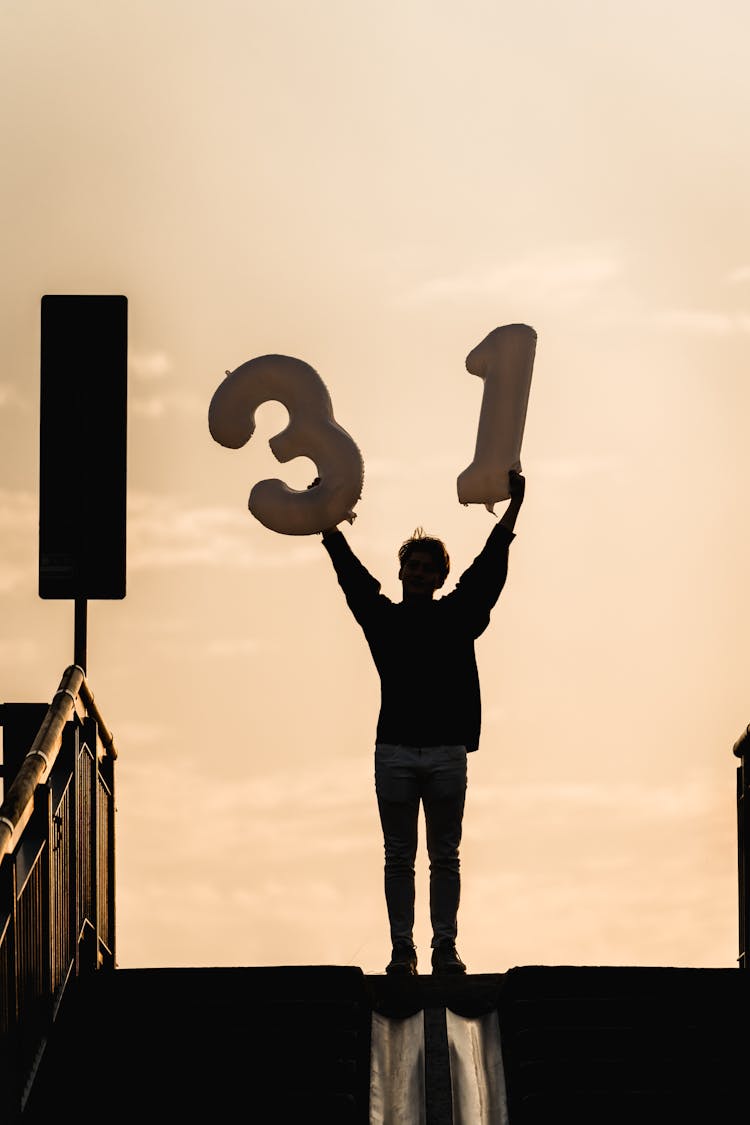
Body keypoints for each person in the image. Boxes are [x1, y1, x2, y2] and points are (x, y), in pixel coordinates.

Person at [320, 469, 525, 976]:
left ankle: (444, 949)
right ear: (403, 573)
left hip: (445, 751)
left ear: (439, 577)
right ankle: (402, 951)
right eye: (411, 564)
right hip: (393, 751)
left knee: (445, 857)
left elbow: (487, 573)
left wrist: (514, 511)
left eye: (427, 567)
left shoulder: (457, 616)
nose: (417, 572)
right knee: (397, 856)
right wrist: (328, 529)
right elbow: (353, 581)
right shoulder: (384, 620)